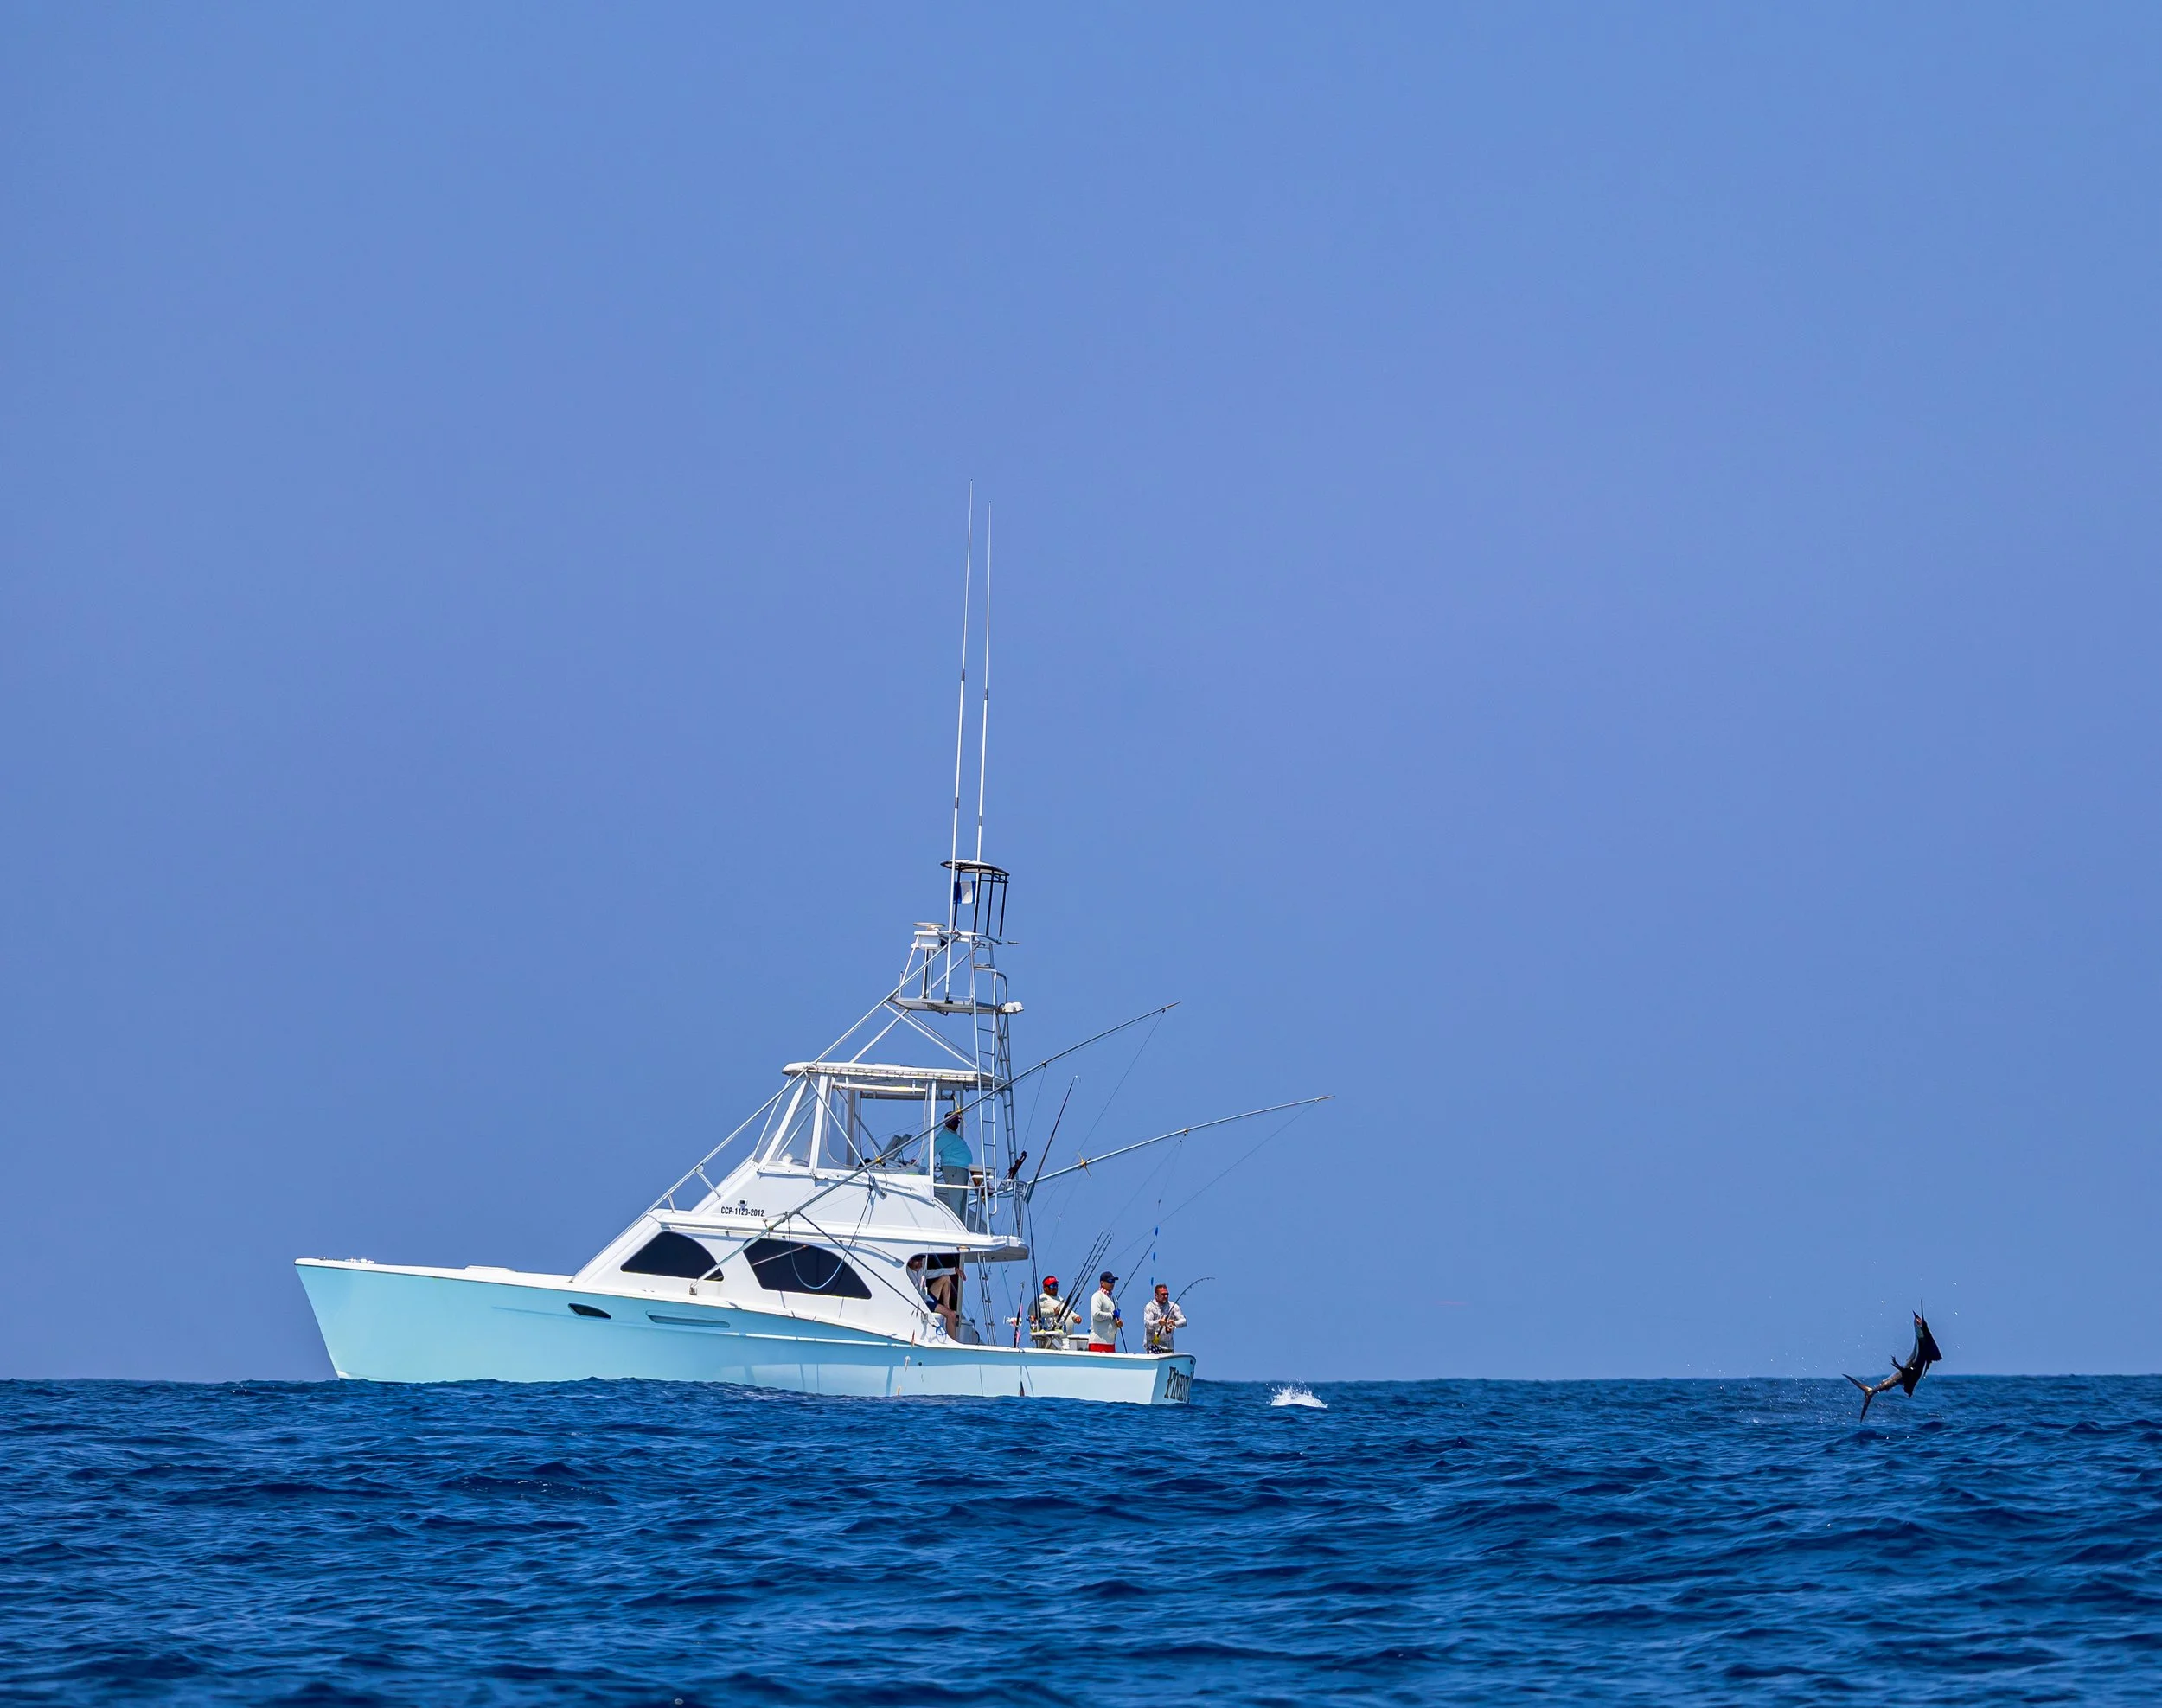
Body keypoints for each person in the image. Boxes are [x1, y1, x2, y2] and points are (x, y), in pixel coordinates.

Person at [934, 1111, 972, 1218]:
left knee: (962, 1202)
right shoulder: (944, 1136)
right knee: (956, 1201)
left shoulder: (952, 1135)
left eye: (957, 1121)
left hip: (962, 1170)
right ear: (947, 1122)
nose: (957, 1123)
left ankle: (961, 1224)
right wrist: (922, 1167)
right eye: (954, 1121)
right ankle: (955, 1225)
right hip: (954, 1170)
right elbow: (931, 1152)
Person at [1030, 1275, 1075, 1348]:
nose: (1055, 1288)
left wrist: (1075, 1316)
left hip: (1067, 1337)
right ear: (1045, 1288)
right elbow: (1032, 1311)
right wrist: (1052, 1312)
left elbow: (1067, 1310)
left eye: (1056, 1285)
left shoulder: (1060, 1298)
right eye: (1052, 1286)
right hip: (1054, 1337)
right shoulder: (1042, 1298)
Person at [1142, 1283, 1187, 1353]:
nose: (1165, 1296)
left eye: (1167, 1294)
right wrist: (1158, 1322)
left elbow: (1184, 1321)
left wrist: (1174, 1323)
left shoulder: (1173, 1306)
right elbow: (1147, 1324)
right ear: (1156, 1295)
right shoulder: (1149, 1307)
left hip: (1168, 1346)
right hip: (1153, 1344)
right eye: (1163, 1294)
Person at [1087, 1271, 1122, 1352]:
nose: (1112, 1283)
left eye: (1113, 1281)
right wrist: (1111, 1315)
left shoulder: (1114, 1299)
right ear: (1102, 1283)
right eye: (1110, 1281)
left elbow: (1115, 1317)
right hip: (1098, 1342)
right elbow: (1096, 1314)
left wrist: (1118, 1323)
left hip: (1111, 1343)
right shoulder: (1097, 1296)